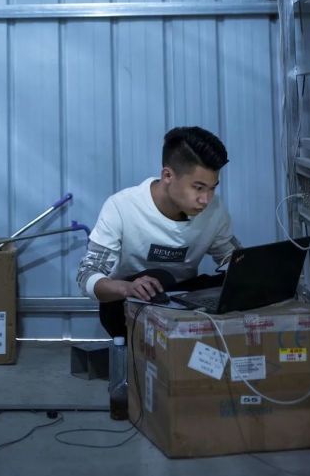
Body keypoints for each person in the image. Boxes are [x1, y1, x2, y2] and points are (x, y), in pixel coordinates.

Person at [76, 126, 241, 338]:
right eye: (198, 188)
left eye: (212, 188)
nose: (205, 199)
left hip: (183, 302)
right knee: (158, 277)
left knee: (233, 283)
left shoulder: (214, 210)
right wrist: (127, 288)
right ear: (167, 175)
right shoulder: (122, 206)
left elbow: (233, 259)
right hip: (127, 307)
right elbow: (86, 275)